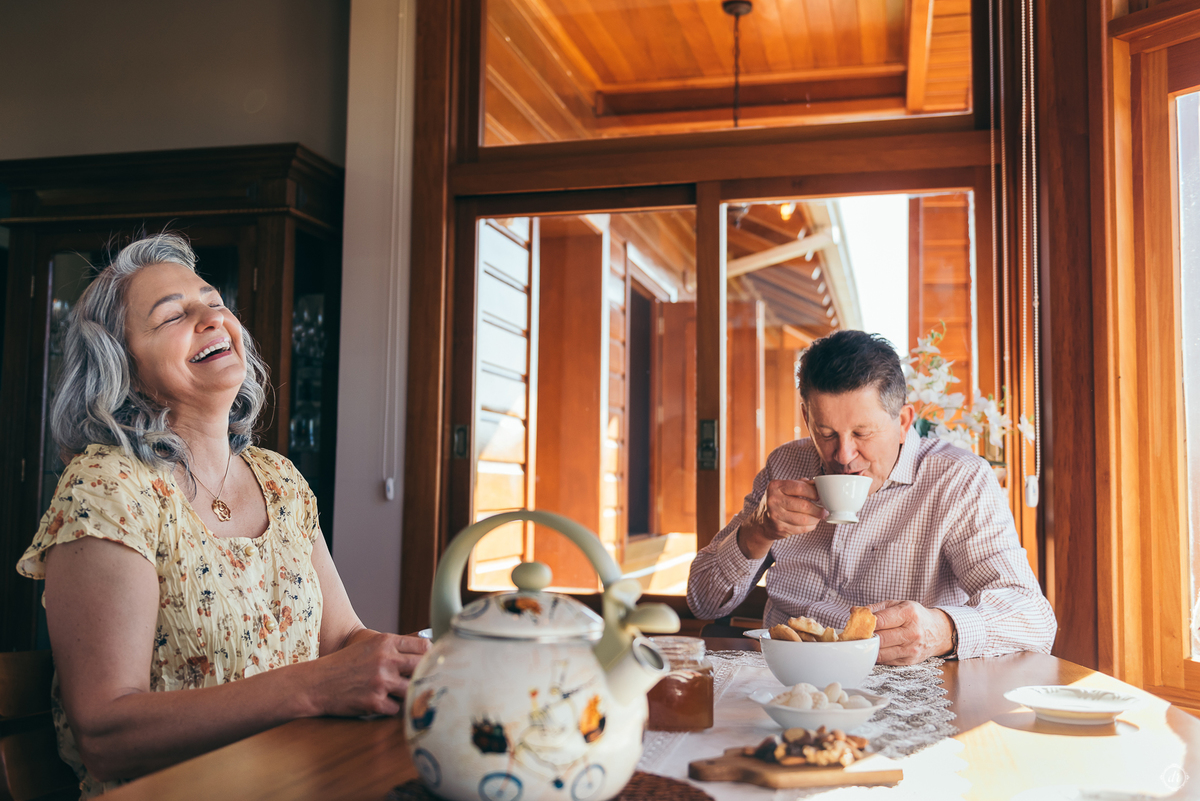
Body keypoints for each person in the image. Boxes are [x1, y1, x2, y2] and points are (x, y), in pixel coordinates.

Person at [16, 234, 428, 798]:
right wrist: (310, 688)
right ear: (124, 369)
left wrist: (427, 659)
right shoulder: (108, 489)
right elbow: (106, 734)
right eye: (173, 315)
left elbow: (343, 641)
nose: (211, 318)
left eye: (213, 301)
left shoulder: (279, 479)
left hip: (304, 782)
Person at [687, 330, 1056, 665]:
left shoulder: (958, 480)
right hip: (784, 677)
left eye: (863, 433)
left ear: (904, 422)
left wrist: (941, 630)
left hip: (900, 690)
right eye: (826, 432)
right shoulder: (786, 464)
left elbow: (1035, 620)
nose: (843, 455)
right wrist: (756, 532)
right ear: (806, 416)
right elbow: (702, 602)